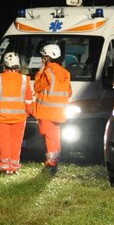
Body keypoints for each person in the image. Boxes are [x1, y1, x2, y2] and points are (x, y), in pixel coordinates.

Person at [0, 51, 36, 175]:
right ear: (18, 65)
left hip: (0, 117)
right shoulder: (25, 80)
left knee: (3, 142)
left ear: (4, 65)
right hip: (19, 117)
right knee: (16, 142)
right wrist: (28, 112)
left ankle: (4, 167)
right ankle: (14, 167)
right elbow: (29, 100)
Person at [34, 42, 74, 172]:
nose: (42, 59)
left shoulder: (47, 72)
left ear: (48, 57)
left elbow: (37, 87)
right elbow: (69, 92)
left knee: (49, 138)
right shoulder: (66, 73)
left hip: (47, 111)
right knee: (55, 137)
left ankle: (51, 164)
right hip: (59, 111)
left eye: (43, 56)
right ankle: (54, 161)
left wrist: (39, 72)